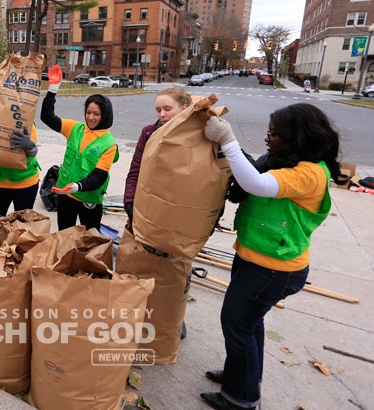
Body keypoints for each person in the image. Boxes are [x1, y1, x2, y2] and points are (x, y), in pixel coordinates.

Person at [201, 103, 342, 410]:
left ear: (296, 137)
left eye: (274, 133)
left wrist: (228, 138)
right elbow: (249, 175)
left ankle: (242, 398)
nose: (267, 138)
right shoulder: (282, 161)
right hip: (256, 257)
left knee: (237, 324)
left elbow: (256, 184)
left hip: (275, 268)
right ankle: (245, 375)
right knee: (250, 324)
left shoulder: (310, 174)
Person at [40, 65, 118, 230]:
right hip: (65, 193)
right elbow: (47, 117)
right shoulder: (75, 128)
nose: (91, 117)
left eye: (96, 114)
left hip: (88, 197)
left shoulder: (109, 143)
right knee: (64, 234)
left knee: (89, 240)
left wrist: (77, 186)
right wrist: (52, 90)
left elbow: (99, 176)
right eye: (88, 112)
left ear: (105, 115)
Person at [123, 87, 193, 224]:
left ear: (183, 108)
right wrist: (129, 201)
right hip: (151, 206)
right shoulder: (149, 133)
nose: (162, 114)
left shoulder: (198, 133)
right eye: (158, 110)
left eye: (167, 109)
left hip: (184, 212)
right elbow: (136, 170)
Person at [0, 125, 40, 215]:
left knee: (22, 223)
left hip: (26, 181)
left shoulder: (26, 122)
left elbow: (33, 152)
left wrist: (29, 145)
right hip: (1, 182)